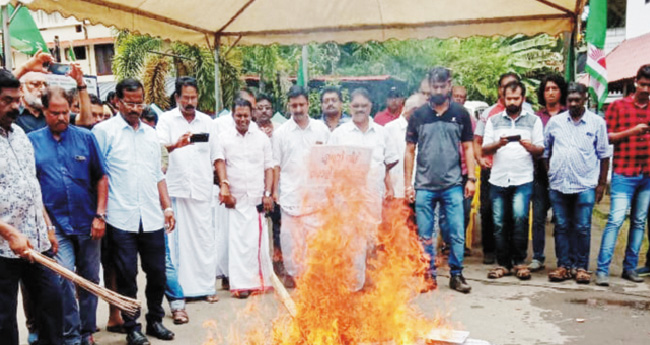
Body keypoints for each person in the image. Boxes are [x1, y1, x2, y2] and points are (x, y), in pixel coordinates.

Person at [92, 78, 176, 345]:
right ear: (116, 101)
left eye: (139, 103)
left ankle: (155, 320)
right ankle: (132, 327)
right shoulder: (104, 132)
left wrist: (167, 207)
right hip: (121, 217)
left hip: (151, 217)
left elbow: (157, 176)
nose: (135, 108)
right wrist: (101, 214)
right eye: (129, 103)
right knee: (127, 275)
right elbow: (99, 175)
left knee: (157, 273)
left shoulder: (151, 134)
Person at [28, 86, 108, 345]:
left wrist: (100, 215)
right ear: (44, 111)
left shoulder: (85, 138)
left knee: (89, 279)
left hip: (88, 221)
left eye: (65, 112)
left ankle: (87, 332)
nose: (61, 118)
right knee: (63, 278)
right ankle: (71, 336)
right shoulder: (31, 142)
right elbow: (33, 186)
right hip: (55, 225)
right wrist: (47, 226)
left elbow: (102, 178)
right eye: (55, 113)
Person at [0, 69, 63, 345]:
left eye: (16, 100)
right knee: (3, 321)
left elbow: (32, 188)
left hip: (36, 244)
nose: (14, 106)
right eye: (6, 100)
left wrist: (47, 227)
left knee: (52, 307)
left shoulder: (20, 136)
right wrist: (8, 232)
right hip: (3, 249)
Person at [405, 67, 476, 293]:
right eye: (434, 86)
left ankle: (456, 275)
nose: (437, 90)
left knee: (456, 231)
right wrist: (408, 184)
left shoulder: (460, 113)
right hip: (424, 186)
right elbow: (409, 150)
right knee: (425, 233)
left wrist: (471, 178)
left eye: (442, 86)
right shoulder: (418, 115)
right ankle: (429, 276)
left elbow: (468, 147)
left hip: (453, 185)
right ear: (429, 86)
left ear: (449, 85)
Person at [157, 77, 220, 316]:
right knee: (177, 245)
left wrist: (222, 183)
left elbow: (217, 155)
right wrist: (176, 145)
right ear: (177, 98)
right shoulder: (166, 120)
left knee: (204, 239)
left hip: (202, 190)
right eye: (186, 98)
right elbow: (158, 151)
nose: (190, 102)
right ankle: (180, 291)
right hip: (176, 188)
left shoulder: (208, 122)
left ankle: (206, 287)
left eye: (194, 98)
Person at [329, 87, 399, 290]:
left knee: (371, 240)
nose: (359, 109)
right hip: (346, 199)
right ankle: (349, 285)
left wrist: (386, 185)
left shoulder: (381, 133)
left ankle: (368, 282)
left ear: (371, 107)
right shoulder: (339, 134)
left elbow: (390, 161)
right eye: (356, 106)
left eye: (364, 106)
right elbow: (330, 164)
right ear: (349, 107)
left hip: (371, 196)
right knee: (348, 240)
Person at [543, 83, 611, 284]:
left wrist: (600, 185)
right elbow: (545, 151)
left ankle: (581, 267)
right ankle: (563, 266)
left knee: (582, 226)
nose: (573, 103)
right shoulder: (555, 122)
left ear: (585, 99)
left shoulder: (597, 123)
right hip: (559, 184)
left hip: (585, 185)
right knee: (562, 226)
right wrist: (551, 174)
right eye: (570, 100)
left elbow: (604, 155)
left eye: (577, 100)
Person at [482, 80, 544, 281]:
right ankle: (503, 264)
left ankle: (519, 262)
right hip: (498, 178)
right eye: (508, 98)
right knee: (499, 222)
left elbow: (541, 150)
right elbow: (484, 149)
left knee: (520, 219)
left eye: (516, 98)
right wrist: (498, 144)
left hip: (523, 178)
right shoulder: (493, 121)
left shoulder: (534, 121)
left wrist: (529, 147)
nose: (512, 102)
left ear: (523, 99)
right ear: (503, 98)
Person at [596, 64, 650, 286]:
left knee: (638, 222)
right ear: (636, 82)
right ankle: (602, 270)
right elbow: (605, 137)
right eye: (644, 84)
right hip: (623, 172)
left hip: (647, 174)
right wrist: (632, 132)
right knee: (616, 220)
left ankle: (630, 268)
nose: (646, 89)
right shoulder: (618, 106)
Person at [215, 98, 275, 298]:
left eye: (246, 116)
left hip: (255, 200)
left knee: (256, 243)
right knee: (236, 244)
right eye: (238, 115)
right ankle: (240, 285)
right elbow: (220, 163)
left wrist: (267, 194)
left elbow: (269, 167)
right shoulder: (223, 138)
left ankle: (259, 282)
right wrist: (225, 188)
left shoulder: (261, 139)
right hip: (234, 200)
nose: (242, 119)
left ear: (252, 116)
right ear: (232, 116)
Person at [273, 86, 331, 287]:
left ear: (308, 104)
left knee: (315, 241)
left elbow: (330, 160)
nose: (297, 109)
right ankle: (292, 274)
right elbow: (276, 165)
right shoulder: (281, 133)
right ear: (288, 105)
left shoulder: (321, 129)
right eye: (294, 105)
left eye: (301, 104)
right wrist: (272, 191)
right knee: (290, 240)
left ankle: (314, 276)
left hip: (317, 196)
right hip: (290, 194)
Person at [473, 72, 533, 265]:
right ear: (500, 90)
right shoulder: (489, 114)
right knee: (491, 212)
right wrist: (480, 159)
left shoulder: (529, 112)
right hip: (493, 169)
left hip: (520, 171)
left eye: (515, 88)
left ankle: (516, 257)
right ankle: (491, 251)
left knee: (517, 215)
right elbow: (477, 141)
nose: (511, 95)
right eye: (506, 87)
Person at [528, 74, 568, 273]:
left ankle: (563, 261)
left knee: (561, 220)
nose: (550, 92)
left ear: (561, 91)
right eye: (547, 89)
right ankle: (537, 257)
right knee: (538, 218)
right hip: (539, 176)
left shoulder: (569, 115)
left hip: (564, 176)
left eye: (554, 88)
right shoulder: (536, 117)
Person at [385, 93, 427, 201]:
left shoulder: (426, 129)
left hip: (422, 193)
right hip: (397, 193)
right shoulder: (390, 129)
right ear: (413, 110)